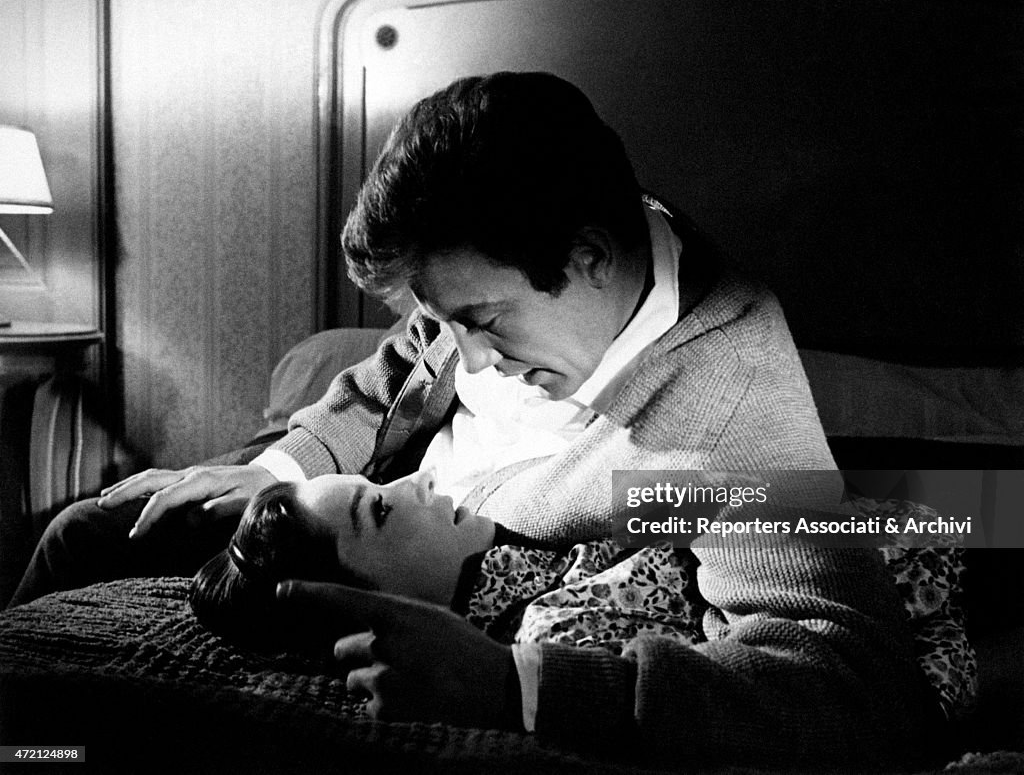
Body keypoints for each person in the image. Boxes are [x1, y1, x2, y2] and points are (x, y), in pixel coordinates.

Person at [11, 72, 932, 767]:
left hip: (432, 556)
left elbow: (852, 686)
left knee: (946, 513)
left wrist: (522, 687)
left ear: (590, 259)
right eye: (444, 320)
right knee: (89, 527)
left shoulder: (727, 406)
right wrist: (285, 469)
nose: (465, 354)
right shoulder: (498, 257)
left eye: (484, 324)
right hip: (361, 504)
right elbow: (397, 365)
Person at [190, 471, 708, 662]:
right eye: (381, 509)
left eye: (379, 483)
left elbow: (759, 496)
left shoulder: (520, 509)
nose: (421, 479)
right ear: (377, 608)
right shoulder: (558, 638)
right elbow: (766, 500)